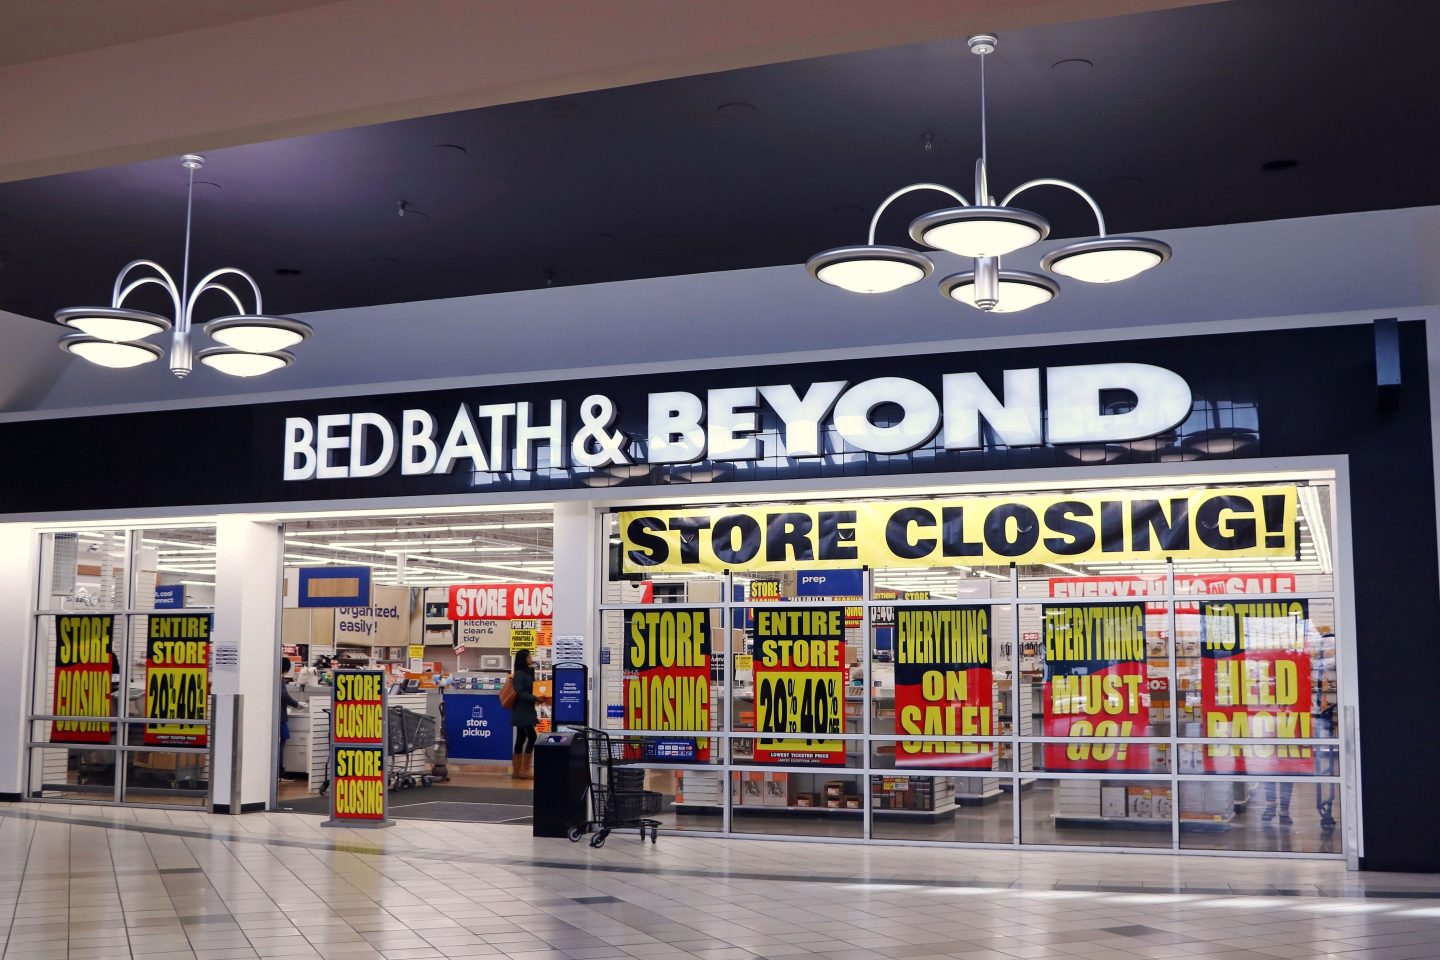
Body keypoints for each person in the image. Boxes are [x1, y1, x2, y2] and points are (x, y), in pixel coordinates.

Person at [511, 649, 538, 780]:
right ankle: (524, 770)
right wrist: (535, 698)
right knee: (532, 736)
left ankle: (517, 771)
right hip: (522, 710)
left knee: (521, 738)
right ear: (523, 659)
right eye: (529, 657)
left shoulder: (528, 672)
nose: (531, 659)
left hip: (527, 709)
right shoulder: (519, 674)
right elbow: (520, 693)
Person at [279, 657, 300, 779]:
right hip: (280, 718)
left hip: (276, 717)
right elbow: (284, 695)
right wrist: (296, 704)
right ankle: (280, 771)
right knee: (281, 743)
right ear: (286, 670)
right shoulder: (280, 679)